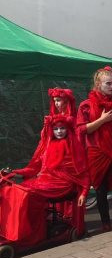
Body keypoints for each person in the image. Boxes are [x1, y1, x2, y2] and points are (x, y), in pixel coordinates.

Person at [1, 89, 90, 245]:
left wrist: (83, 192)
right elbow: (34, 166)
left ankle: (29, 234)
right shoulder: (47, 144)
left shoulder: (73, 146)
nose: (59, 131)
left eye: (62, 128)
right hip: (45, 180)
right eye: (55, 129)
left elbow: (82, 173)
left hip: (62, 185)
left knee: (27, 193)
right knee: (14, 189)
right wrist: (14, 172)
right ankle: (12, 230)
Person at [77, 66, 112, 232]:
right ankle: (105, 224)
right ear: (98, 83)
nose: (111, 87)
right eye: (108, 83)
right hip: (97, 152)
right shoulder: (86, 105)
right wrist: (102, 119)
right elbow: (82, 130)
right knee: (100, 190)